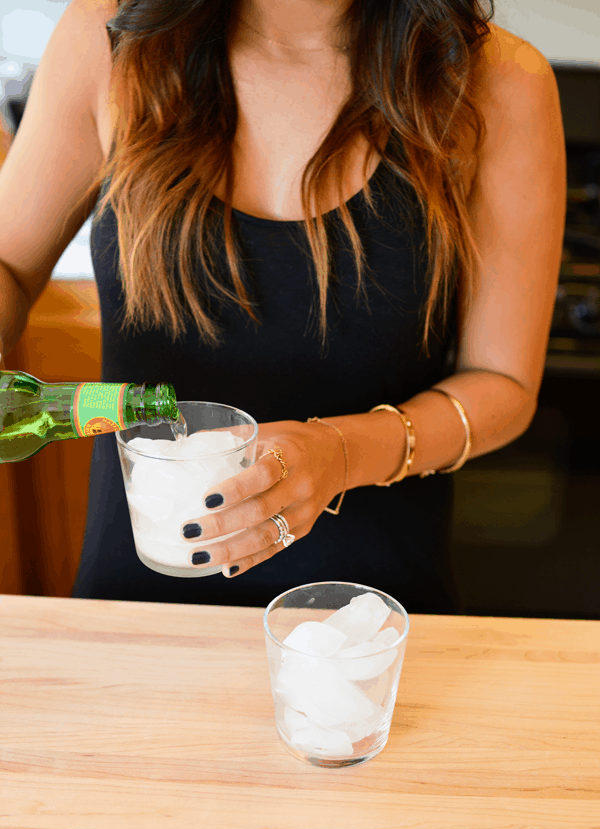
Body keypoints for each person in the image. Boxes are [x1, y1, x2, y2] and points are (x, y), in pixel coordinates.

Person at [0, 0, 565, 611]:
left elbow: (503, 382)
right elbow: (9, 266)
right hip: (140, 596)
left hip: (369, 620)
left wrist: (340, 452)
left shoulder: (501, 82)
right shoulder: (108, 39)